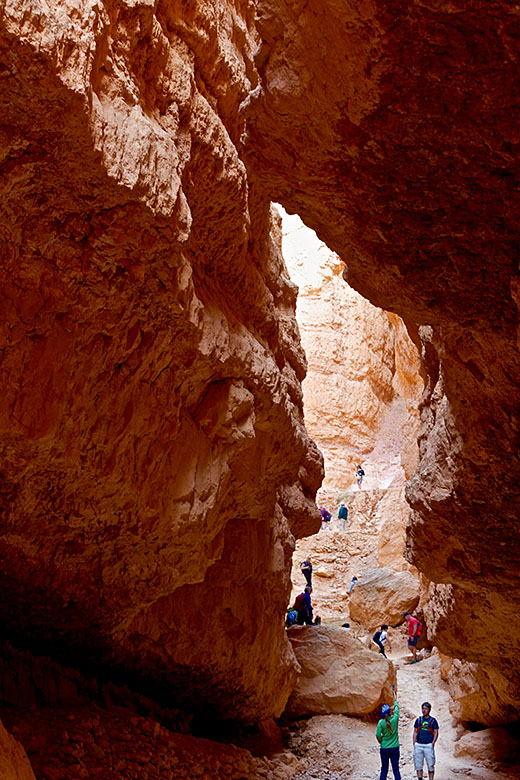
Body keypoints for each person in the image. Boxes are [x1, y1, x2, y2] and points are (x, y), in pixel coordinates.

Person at [376, 685, 401, 780]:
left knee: (384, 769)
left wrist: (381, 741)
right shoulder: (394, 719)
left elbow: (378, 735)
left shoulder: (381, 722)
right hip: (395, 747)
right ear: (390, 712)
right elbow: (397, 707)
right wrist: (395, 700)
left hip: (385, 748)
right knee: (396, 769)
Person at [413, 701, 439, 780]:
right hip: (419, 744)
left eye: (426, 709)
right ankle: (420, 778)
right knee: (418, 764)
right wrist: (414, 743)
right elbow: (415, 731)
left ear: (429, 710)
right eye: (423, 708)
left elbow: (436, 732)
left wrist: (433, 743)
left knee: (430, 764)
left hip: (428, 745)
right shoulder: (418, 720)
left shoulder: (433, 721)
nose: (424, 710)